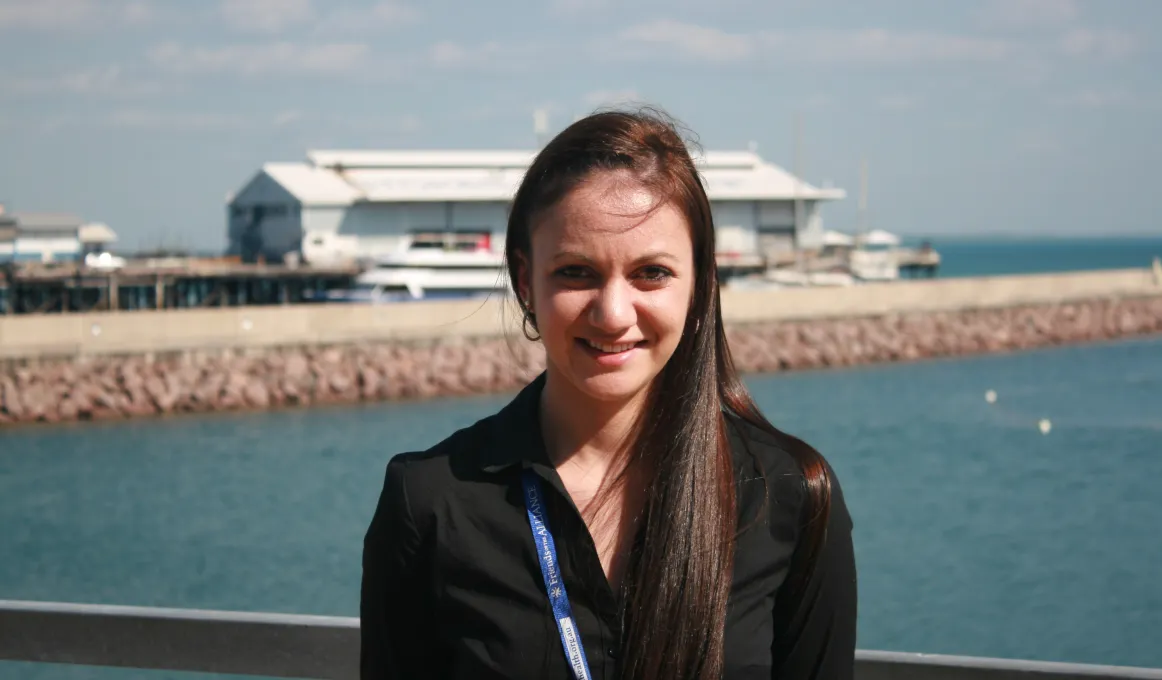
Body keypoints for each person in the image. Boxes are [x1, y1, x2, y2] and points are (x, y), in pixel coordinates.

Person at [361, 108, 857, 680]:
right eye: (576, 272)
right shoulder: (429, 502)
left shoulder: (791, 495)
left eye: (652, 273)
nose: (613, 313)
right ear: (526, 282)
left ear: (699, 285)